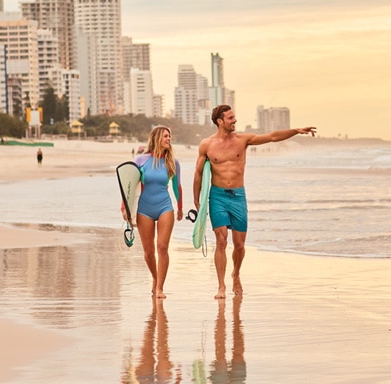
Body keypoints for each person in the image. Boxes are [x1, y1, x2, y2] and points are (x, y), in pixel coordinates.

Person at [193, 105, 316, 299]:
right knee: (221, 239)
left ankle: (236, 274)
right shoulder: (206, 145)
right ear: (220, 121)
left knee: (240, 245)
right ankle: (221, 286)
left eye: (234, 117)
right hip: (217, 196)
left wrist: (296, 131)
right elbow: (199, 173)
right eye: (230, 118)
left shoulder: (243, 140)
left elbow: (272, 136)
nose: (235, 120)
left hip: (238, 196)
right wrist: (197, 201)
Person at [122, 126, 183, 299]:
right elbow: (130, 185)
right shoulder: (141, 160)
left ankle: (160, 288)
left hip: (165, 206)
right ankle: (155, 279)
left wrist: (179, 207)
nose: (169, 139)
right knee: (149, 252)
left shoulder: (172, 162)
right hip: (145, 209)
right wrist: (124, 207)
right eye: (165, 136)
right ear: (156, 138)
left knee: (162, 247)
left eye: (169, 136)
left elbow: (177, 186)